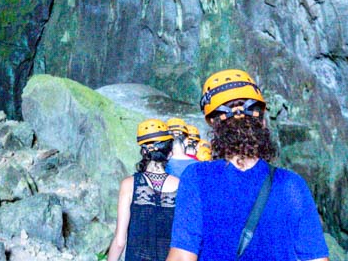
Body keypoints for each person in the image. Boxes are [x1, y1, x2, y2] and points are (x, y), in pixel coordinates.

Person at [166, 69, 330, 261]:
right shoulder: (292, 185)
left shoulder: (197, 177)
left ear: (212, 123)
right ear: (262, 119)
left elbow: (182, 257)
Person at [107, 119, 180, 261]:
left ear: (143, 151)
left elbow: (120, 241)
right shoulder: (181, 185)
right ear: (169, 153)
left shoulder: (129, 184)